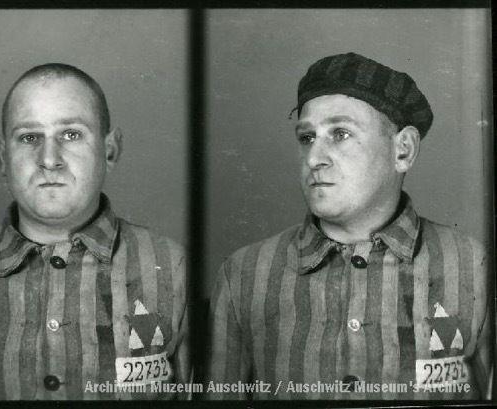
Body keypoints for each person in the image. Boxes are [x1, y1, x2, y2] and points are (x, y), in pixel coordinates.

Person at [206, 52, 492, 400]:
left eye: (340, 133)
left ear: (403, 150)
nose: (314, 158)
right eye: (307, 137)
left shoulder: (474, 267)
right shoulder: (243, 276)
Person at [0, 63, 190, 400]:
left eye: (71, 134)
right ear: (2, 156)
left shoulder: (173, 267)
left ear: (110, 150)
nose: (49, 159)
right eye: (29, 138)